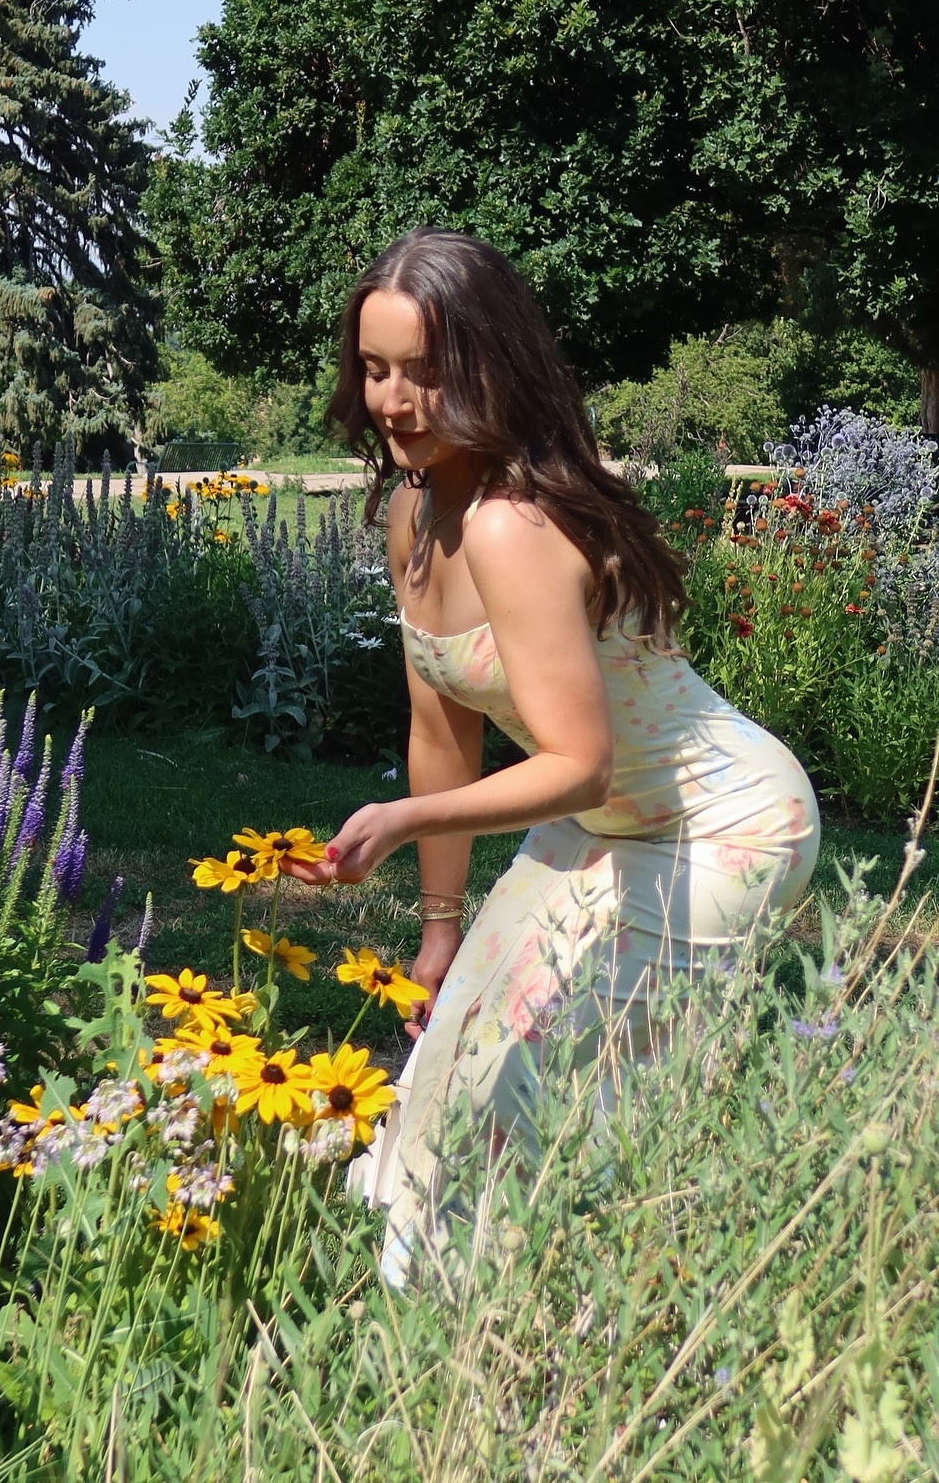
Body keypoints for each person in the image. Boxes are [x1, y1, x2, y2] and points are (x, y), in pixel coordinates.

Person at [286, 228, 819, 1279]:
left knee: (552, 1092)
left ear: (483, 369)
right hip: (604, 819)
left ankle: (592, 1313)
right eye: (375, 368)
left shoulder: (510, 526)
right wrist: (440, 931)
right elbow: (442, 728)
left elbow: (575, 761)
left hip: (722, 828)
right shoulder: (415, 509)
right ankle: (422, 1284)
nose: (392, 400)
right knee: (447, 1074)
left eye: (424, 374)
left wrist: (400, 824)